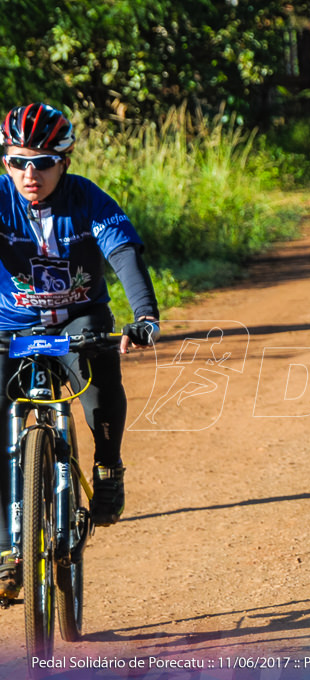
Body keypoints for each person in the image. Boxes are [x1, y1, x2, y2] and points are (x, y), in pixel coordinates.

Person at [0, 103, 161, 598]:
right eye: (18, 160)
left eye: (44, 162)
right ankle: (9, 548)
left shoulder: (88, 198)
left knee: (100, 383)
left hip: (79, 320)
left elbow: (122, 252)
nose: (31, 173)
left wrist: (146, 315)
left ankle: (108, 466)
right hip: (10, 326)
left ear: (65, 161)